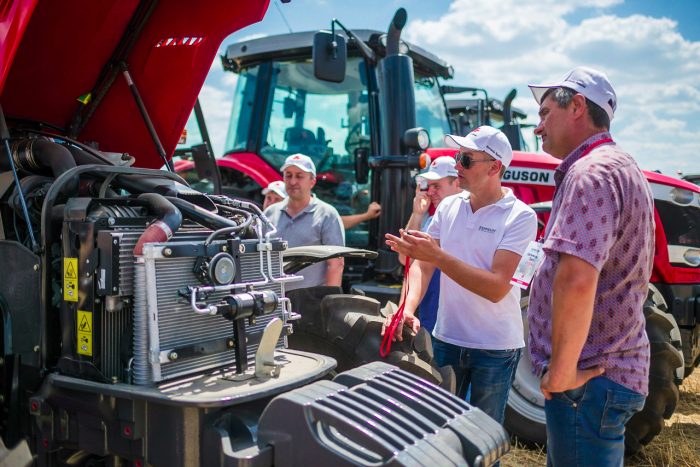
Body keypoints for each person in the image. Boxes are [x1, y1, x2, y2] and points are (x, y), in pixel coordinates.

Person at [527, 67, 653, 466]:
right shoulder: (621, 166)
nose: (537, 127)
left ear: (577, 106)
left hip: (588, 382)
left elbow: (578, 280)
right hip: (607, 373)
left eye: (546, 112)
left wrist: (562, 373)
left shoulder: (589, 175)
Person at [384, 126, 537, 429]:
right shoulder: (451, 206)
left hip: (495, 350)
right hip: (447, 339)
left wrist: (437, 256)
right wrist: (407, 309)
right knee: (439, 433)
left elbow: (495, 288)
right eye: (458, 157)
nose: (457, 166)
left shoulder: (521, 216)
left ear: (495, 167)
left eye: (466, 160)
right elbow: (421, 266)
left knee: (482, 438)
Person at [399, 156, 462, 334]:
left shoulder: (471, 220)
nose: (430, 192)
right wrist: (417, 214)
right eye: (429, 186)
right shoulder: (432, 221)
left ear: (457, 183)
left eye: (437, 186)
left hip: (458, 327)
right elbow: (405, 259)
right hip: (432, 318)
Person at [265, 153, 345, 291]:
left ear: (312, 181)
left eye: (299, 176)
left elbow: (336, 264)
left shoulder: (327, 215)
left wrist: (329, 302)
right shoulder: (269, 213)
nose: (292, 181)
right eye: (288, 175)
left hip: (310, 301)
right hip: (273, 300)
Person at [262, 180, 381, 229]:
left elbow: (335, 222)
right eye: (268, 198)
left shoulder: (301, 220)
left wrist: (366, 216)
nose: (271, 203)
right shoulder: (254, 223)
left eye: (277, 199)